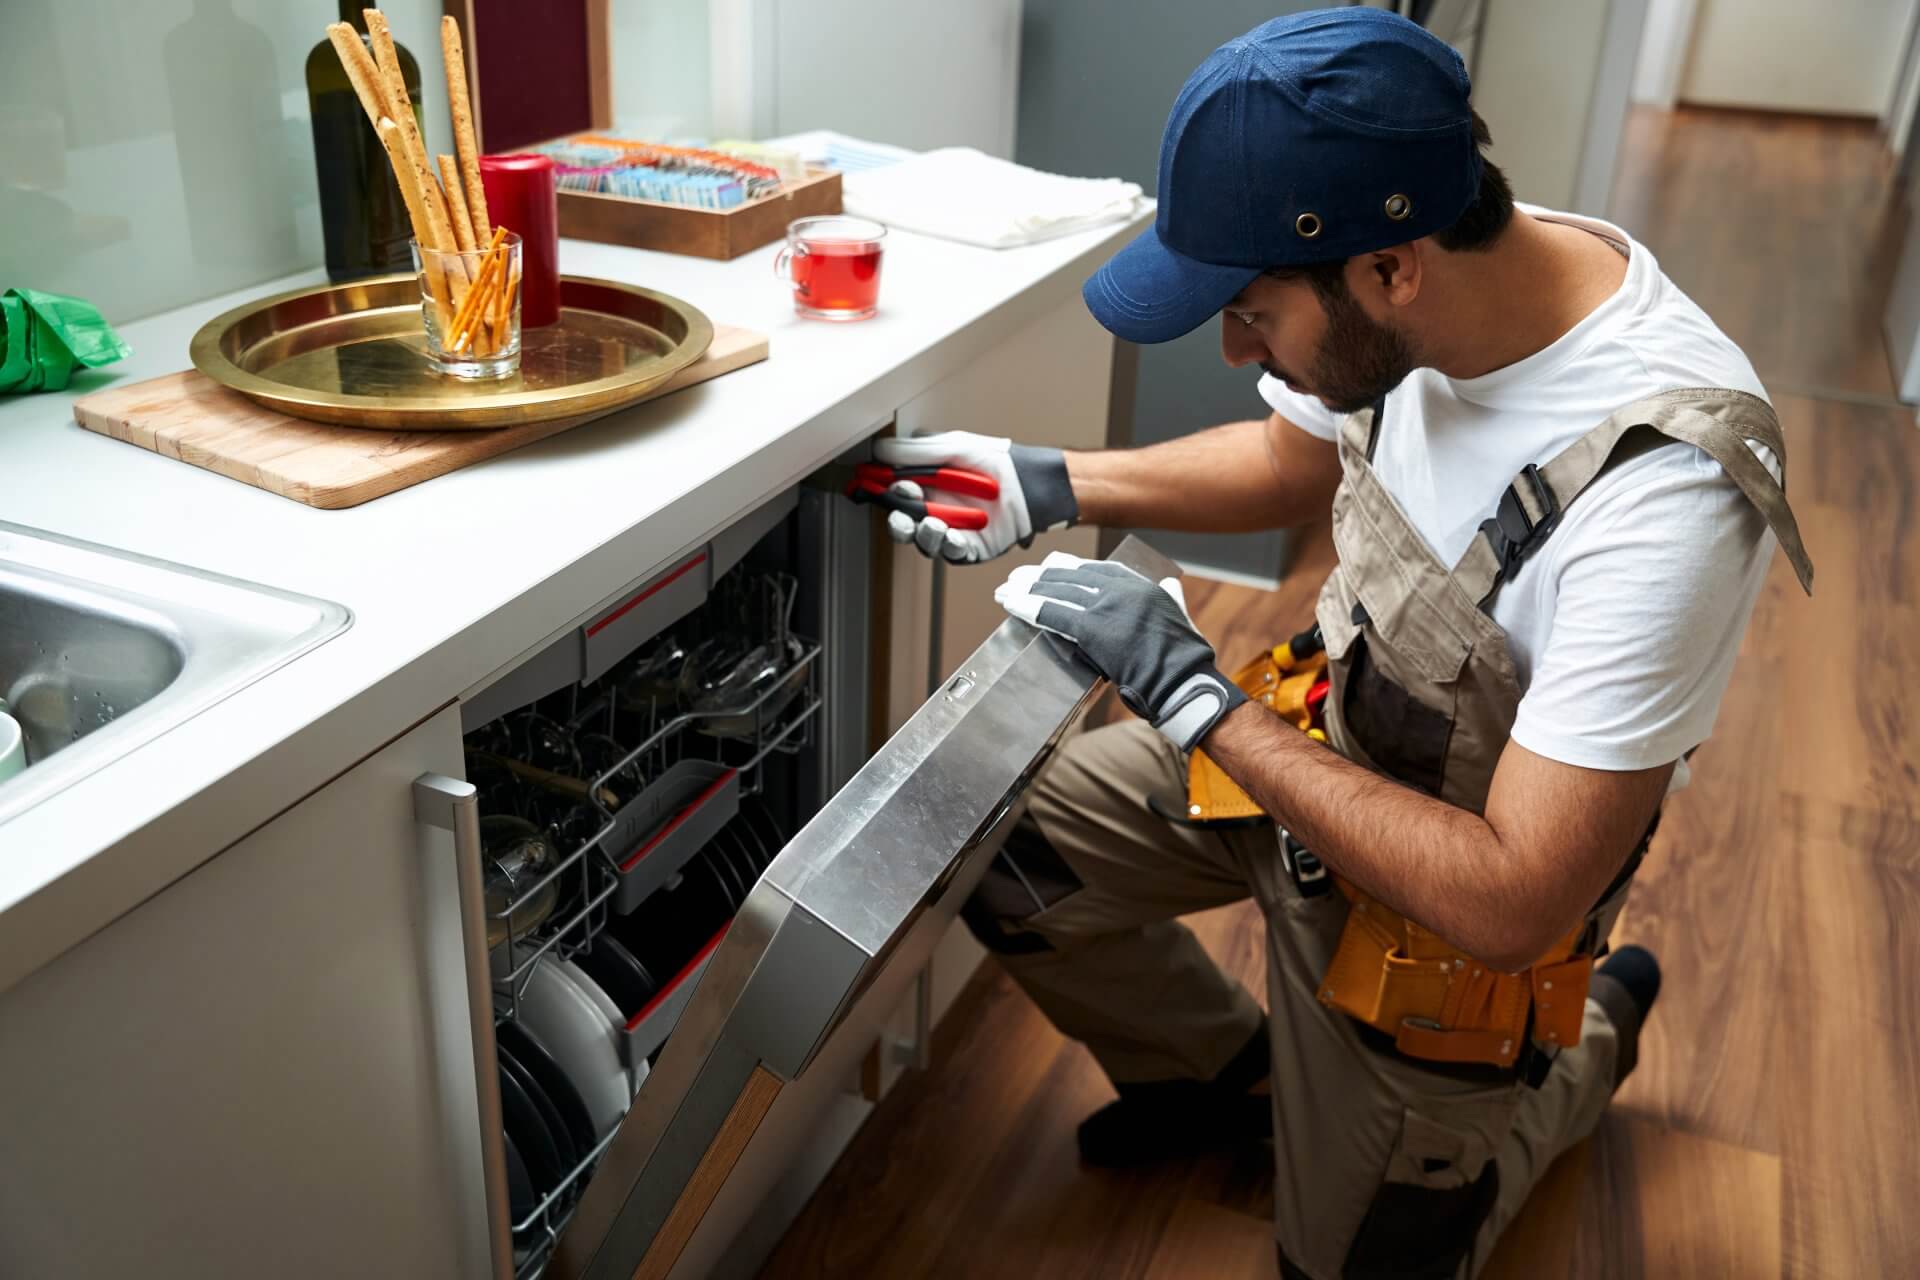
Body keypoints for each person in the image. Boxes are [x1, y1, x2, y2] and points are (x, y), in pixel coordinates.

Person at [872, 8, 1814, 1277]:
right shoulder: (1418, 302)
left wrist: (1202, 705)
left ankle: (1579, 1050)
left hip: (1452, 907)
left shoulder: (1659, 488)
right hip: (1320, 743)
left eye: (1252, 313)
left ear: (1393, 269)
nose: (1232, 347)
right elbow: (1286, 457)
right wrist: (1053, 479)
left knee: (1357, 1265)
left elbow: (1514, 894)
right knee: (992, 842)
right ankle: (1230, 1085)